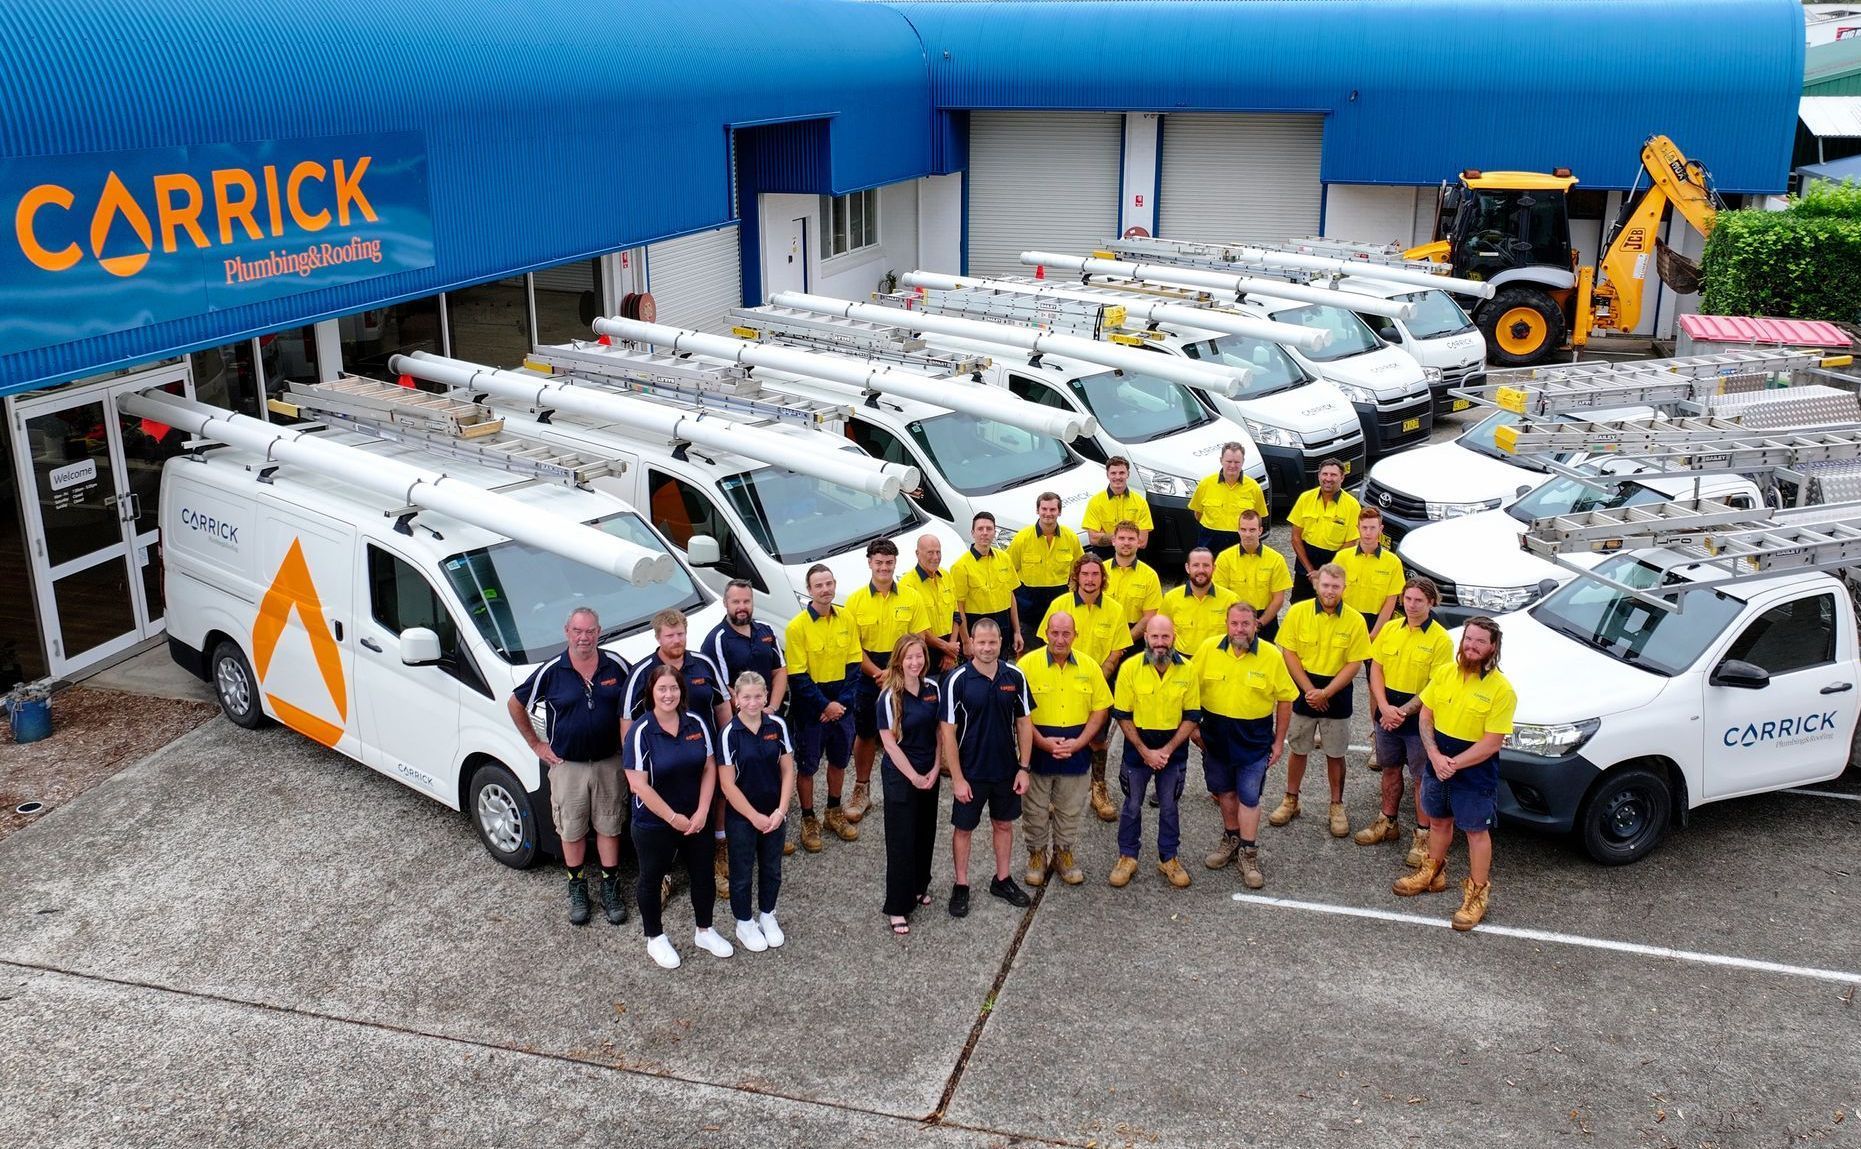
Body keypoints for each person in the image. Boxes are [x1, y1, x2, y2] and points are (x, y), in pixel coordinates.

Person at [506, 608, 631, 926]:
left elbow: (638, 700)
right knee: (572, 829)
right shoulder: (552, 671)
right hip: (568, 766)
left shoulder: (616, 665)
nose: (584, 637)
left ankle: (610, 887)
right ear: (567, 632)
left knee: (610, 825)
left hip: (609, 762)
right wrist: (536, 745)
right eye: (578, 631)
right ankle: (577, 887)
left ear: (599, 631)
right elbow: (515, 703)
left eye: (590, 631)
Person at [1395, 617, 1516, 930]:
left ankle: (1477, 894)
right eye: (1468, 639)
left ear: (1493, 647)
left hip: (1474, 774)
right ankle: (1432, 873)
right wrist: (1435, 756)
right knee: (1438, 821)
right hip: (1438, 764)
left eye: (1479, 641)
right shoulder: (1446, 673)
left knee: (1476, 832)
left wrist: (1454, 763)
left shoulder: (1502, 690)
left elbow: (1491, 743)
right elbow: (1426, 716)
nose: (1471, 646)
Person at [624, 664, 734, 969]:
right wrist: (673, 818)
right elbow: (637, 784)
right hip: (655, 822)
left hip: (696, 818)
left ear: (681, 691)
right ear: (651, 693)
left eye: (674, 688)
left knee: (702, 874)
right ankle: (655, 938)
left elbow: (710, 767)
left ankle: (705, 930)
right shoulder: (640, 731)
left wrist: (701, 811)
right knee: (651, 877)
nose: (668, 694)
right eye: (662, 689)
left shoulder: (696, 722)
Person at [625, 609, 733, 894]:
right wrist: (633, 762)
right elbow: (627, 720)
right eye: (669, 635)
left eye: (680, 633)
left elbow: (722, 705)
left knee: (713, 802)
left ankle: (716, 854)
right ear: (658, 637)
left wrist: (729, 746)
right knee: (664, 809)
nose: (676, 640)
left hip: (703, 754)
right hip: (663, 760)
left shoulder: (704, 664)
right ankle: (663, 873)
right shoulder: (642, 672)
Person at [1192, 601, 1296, 889]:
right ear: (1226, 624)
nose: (1239, 629)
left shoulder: (1271, 656)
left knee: (1249, 797)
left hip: (1253, 739)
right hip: (1214, 737)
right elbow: (1188, 687)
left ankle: (1249, 854)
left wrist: (1278, 741)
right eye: (1234, 623)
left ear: (1255, 625)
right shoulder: (1208, 649)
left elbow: (1286, 698)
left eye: (1245, 624)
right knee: (1225, 792)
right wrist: (1192, 729)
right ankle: (1231, 838)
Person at [940, 618, 1035, 917]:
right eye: (980, 642)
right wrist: (956, 778)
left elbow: (1024, 723)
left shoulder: (1015, 676)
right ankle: (962, 884)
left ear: (1000, 642)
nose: (986, 648)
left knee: (1004, 824)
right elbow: (947, 733)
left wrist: (1024, 768)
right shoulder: (958, 680)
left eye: (992, 642)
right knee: (964, 829)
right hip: (970, 773)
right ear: (971, 643)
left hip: (1006, 770)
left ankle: (1002, 879)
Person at [1271, 563, 1371, 838]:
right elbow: (1288, 653)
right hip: (1303, 687)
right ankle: (1291, 799)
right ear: (1316, 585)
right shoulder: (1298, 612)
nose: (1330, 591)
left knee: (1336, 753)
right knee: (1299, 747)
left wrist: (1326, 693)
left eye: (1335, 586)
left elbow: (1354, 663)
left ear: (1344, 588)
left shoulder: (1355, 620)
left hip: (1337, 690)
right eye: (1325, 585)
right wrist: (1309, 690)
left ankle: (1336, 806)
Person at [1018, 611, 1112, 888]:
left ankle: (1064, 854)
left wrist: (1080, 742)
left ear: (1075, 636)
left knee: (1070, 809)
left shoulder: (1090, 667)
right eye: (1055, 633)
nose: (1060, 639)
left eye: (1066, 634)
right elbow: (1019, 714)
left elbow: (1100, 710)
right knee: (1034, 809)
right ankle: (1037, 855)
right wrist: (1043, 742)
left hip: (1076, 749)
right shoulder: (1027, 665)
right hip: (1036, 748)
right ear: (1046, 633)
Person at [1363, 577, 1455, 860]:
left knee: (1420, 779)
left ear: (1431, 603)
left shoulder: (1441, 640)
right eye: (1408, 599)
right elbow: (1376, 669)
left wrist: (1402, 712)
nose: (1412, 605)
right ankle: (1387, 822)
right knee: (1389, 769)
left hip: (1418, 718)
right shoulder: (1390, 629)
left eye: (1419, 600)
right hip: (1387, 712)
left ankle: (1422, 836)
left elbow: (1435, 686)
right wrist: (1384, 706)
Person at [845, 538, 934, 827]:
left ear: (896, 563)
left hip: (905, 672)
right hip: (870, 675)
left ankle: (915, 774)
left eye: (889, 562)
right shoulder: (854, 601)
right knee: (866, 732)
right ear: (869, 563)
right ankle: (862, 788)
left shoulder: (911, 597)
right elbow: (853, 648)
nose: (884, 567)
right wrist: (878, 674)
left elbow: (918, 639)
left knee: (911, 726)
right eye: (878, 562)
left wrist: (899, 673)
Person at [1108, 614, 1202, 889]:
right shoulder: (1129, 669)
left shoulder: (1187, 670)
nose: (1160, 643)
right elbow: (1123, 716)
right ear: (1146, 637)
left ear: (1174, 638)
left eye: (1166, 637)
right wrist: (1145, 751)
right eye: (1155, 636)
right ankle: (1127, 857)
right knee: (1132, 806)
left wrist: (1167, 750)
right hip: (1137, 752)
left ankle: (1169, 858)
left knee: (1170, 807)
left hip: (1173, 752)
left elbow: (1192, 716)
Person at [1036, 555, 1124, 827]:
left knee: (1097, 739)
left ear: (1102, 578)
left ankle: (1098, 788)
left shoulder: (1114, 609)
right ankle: (1054, 794)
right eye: (1084, 574)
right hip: (1060, 682)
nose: (1089, 579)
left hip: (1097, 684)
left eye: (1095, 575)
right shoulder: (1059, 605)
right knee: (1059, 735)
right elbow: (1046, 644)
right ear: (1076, 577)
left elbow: (1117, 650)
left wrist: (1097, 677)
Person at [704, 580, 789, 851]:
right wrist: (743, 714)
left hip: (765, 716)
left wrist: (771, 708)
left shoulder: (766, 632)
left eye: (746, 601)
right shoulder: (717, 639)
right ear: (725, 603)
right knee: (729, 783)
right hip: (738, 723)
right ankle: (722, 841)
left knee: (771, 772)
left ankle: (772, 828)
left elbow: (779, 672)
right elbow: (721, 686)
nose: (742, 607)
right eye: (736, 602)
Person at [783, 564, 863, 851]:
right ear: (809, 590)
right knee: (807, 766)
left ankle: (833, 811)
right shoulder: (797, 628)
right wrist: (825, 705)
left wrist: (840, 704)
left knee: (840, 761)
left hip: (842, 705)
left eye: (829, 583)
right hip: (812, 709)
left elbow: (855, 666)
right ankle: (808, 818)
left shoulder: (847, 620)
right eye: (819, 585)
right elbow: (798, 676)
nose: (825, 589)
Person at [717, 671, 794, 952]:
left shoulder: (777, 725)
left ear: (766, 697)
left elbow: (787, 770)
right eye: (746, 696)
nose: (752, 702)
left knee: (772, 867)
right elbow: (727, 783)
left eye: (758, 696)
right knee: (741, 871)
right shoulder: (728, 734)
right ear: (736, 699)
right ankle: (745, 922)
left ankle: (767, 914)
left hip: (774, 811)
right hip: (743, 817)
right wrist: (754, 816)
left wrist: (781, 810)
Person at [877, 634, 943, 934]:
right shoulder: (889, 697)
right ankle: (897, 906)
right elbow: (889, 744)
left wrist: (934, 768)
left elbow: (939, 733)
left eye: (919, 656)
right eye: (909, 658)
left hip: (929, 772)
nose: (915, 662)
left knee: (925, 832)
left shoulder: (932, 689)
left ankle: (919, 887)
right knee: (901, 839)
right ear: (899, 661)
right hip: (901, 777)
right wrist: (914, 776)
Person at [1006, 491, 1084, 652]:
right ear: (1037, 510)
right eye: (1044, 509)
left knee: (1059, 652)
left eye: (1052, 509)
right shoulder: (1022, 538)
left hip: (1060, 604)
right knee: (1029, 654)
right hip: (1028, 610)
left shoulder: (1070, 538)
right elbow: (1008, 572)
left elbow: (1079, 570)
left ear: (1059, 512)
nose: (1048, 513)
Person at [1287, 459, 1362, 604]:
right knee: (1299, 605)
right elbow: (1295, 538)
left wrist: (1324, 572)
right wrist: (1310, 570)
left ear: (1342, 477)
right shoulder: (1305, 498)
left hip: (1334, 564)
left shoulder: (1352, 506)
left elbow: (1351, 542)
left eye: (1333, 475)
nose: (1328, 478)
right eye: (1325, 474)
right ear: (1319, 476)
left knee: (1329, 608)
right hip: (1305, 564)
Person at [950, 511, 1022, 658]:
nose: (985, 533)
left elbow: (1011, 596)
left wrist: (1017, 632)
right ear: (972, 533)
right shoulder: (960, 566)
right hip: (975, 627)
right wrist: (966, 641)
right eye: (980, 529)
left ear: (994, 532)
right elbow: (959, 607)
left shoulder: (1004, 558)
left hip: (1003, 624)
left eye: (989, 529)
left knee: (1002, 669)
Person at [1212, 509, 1292, 641]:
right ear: (1238, 530)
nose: (1247, 534)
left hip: (1265, 621)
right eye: (1243, 529)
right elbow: (1220, 596)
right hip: (1234, 621)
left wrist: (1259, 623)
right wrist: (1237, 624)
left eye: (1252, 530)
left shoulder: (1276, 559)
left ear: (1260, 530)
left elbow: (1278, 599)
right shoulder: (1224, 558)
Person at [1188, 441, 1269, 556]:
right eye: (1229, 461)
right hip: (1210, 545)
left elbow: (1259, 517)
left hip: (1240, 544)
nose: (1232, 465)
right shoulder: (1205, 484)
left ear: (1243, 462)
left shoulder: (1254, 487)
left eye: (1237, 462)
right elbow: (1198, 514)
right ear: (1221, 460)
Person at [1336, 506, 1405, 641]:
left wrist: (1374, 634)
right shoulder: (1342, 558)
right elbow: (1333, 593)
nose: (1368, 532)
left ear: (1380, 529)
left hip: (1376, 622)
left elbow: (1390, 602)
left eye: (1373, 528)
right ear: (1358, 528)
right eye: (1364, 527)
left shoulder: (1393, 563)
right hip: (1345, 621)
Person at [1158, 547, 1239, 657]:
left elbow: (1238, 636)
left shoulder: (1231, 599)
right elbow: (1161, 633)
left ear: (1214, 568)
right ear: (1187, 568)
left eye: (1206, 565)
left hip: (1218, 660)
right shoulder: (1171, 598)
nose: (1201, 570)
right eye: (1196, 565)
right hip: (1181, 662)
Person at [900, 533, 961, 673]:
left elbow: (956, 615)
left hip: (950, 654)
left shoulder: (946, 576)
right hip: (925, 654)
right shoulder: (907, 585)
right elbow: (916, 628)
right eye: (930, 552)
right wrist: (946, 647)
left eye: (938, 552)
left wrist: (950, 650)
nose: (935, 557)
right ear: (917, 553)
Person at [1081, 456, 1153, 556]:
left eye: (1122, 473)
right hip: (1105, 558)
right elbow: (1093, 539)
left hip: (1134, 559)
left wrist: (1106, 535)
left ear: (1128, 474)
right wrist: (1131, 537)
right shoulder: (1095, 502)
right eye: (1113, 473)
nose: (1118, 477)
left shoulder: (1140, 502)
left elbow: (1142, 542)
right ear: (1107, 475)